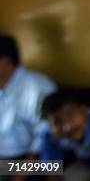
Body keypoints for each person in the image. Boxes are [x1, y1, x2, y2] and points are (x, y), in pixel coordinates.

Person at [0, 34, 56, 181]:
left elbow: (46, 139)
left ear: (5, 61)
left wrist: (20, 175)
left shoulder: (38, 86)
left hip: (41, 161)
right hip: (6, 162)